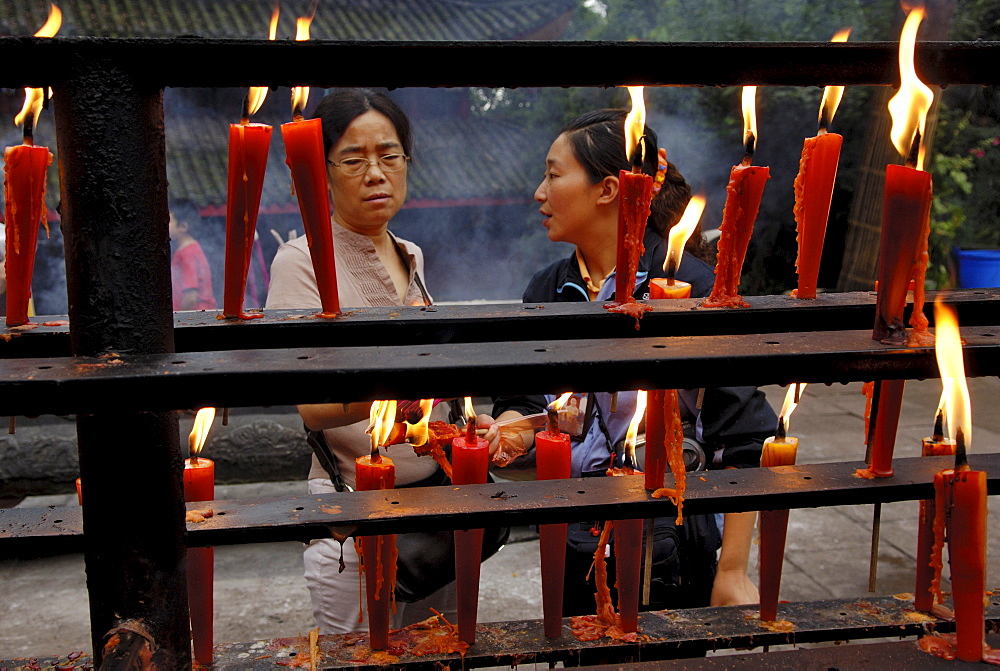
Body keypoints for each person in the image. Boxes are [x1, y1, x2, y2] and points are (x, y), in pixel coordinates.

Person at [485, 109, 777, 616]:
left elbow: (745, 439)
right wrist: (512, 427)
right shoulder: (547, 290)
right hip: (571, 530)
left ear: (609, 189)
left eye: (554, 175)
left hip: (673, 535)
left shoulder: (691, 289)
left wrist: (732, 570)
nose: (539, 192)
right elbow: (525, 399)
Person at [265, 88, 456, 634]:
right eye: (354, 158)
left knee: (442, 653)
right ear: (321, 171)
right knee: (362, 655)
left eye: (389, 155)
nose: (376, 173)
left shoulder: (411, 254)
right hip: (354, 509)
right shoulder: (299, 261)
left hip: (436, 505)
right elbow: (315, 405)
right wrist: (412, 391)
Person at [169, 201, 217, 311]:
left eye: (168, 220)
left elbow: (190, 297)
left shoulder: (187, 253)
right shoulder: (189, 249)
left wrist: (178, 321)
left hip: (194, 319)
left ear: (183, 226)